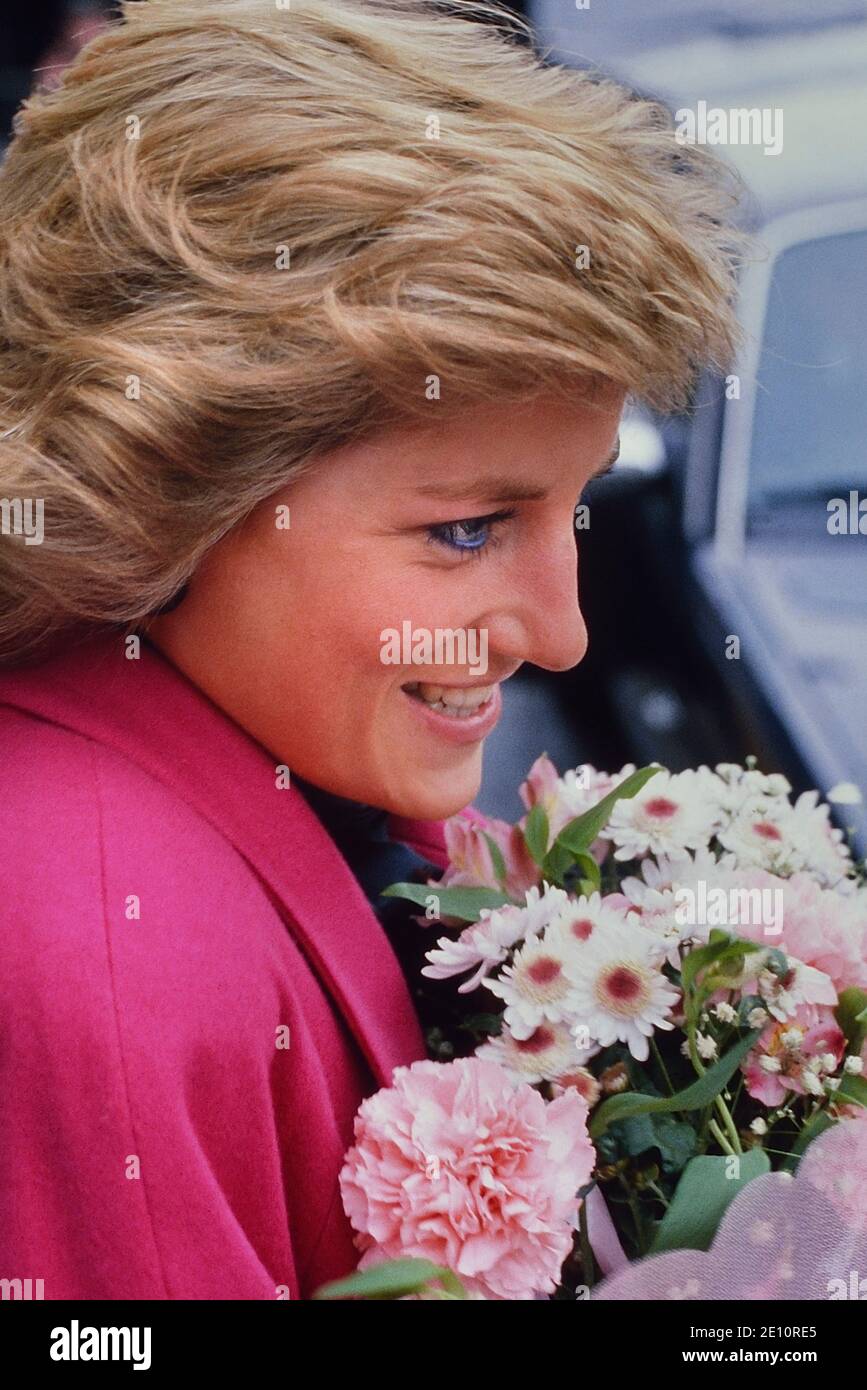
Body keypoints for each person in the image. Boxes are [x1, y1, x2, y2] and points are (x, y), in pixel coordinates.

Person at [0, 0, 742, 1299]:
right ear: (166, 479)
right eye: (465, 528)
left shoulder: (257, 744)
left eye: (571, 509)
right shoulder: (109, 959)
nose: (562, 637)